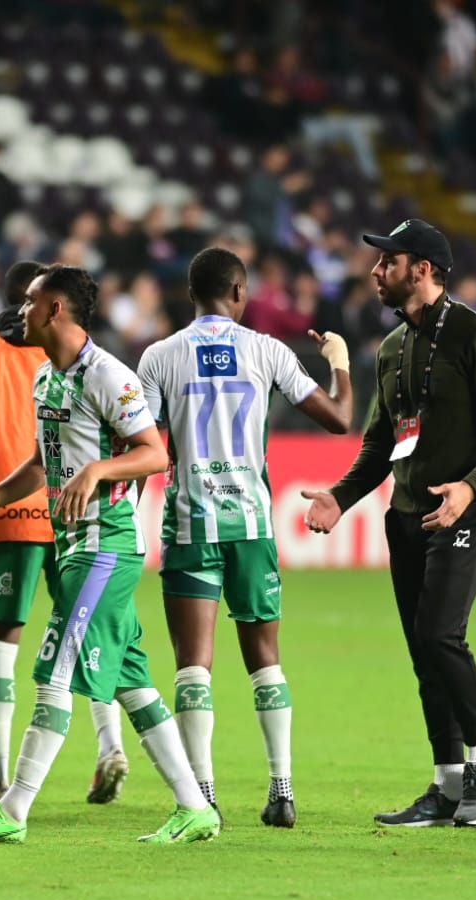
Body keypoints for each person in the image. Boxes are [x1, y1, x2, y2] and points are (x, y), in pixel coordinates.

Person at [0, 265, 220, 845]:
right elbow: (43, 465)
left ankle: (13, 809)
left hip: (106, 546)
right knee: (131, 682)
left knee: (55, 669)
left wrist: (98, 470)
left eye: (30, 302)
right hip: (73, 547)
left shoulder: (109, 377)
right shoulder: (47, 380)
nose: (21, 311)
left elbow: (153, 455)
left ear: (56, 311)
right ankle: (195, 807)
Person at [301, 219, 476, 828]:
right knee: (422, 651)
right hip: (405, 517)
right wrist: (340, 499)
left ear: (422, 268)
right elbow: (380, 443)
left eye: (388, 262)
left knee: (439, 634)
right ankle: (447, 783)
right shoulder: (393, 349)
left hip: (468, 511)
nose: (375, 272)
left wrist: (470, 487)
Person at [135, 247, 354, 829]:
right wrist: (340, 361)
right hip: (253, 524)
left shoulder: (159, 357)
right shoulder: (267, 350)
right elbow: (339, 418)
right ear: (239, 294)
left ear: (190, 295)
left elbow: (143, 447)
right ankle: (282, 789)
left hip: (189, 522)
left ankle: (202, 797)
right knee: (265, 661)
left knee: (192, 667)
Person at [0, 260, 131, 806]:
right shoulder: (80, 353)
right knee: (91, 639)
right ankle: (110, 746)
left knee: (0, 648)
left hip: (12, 515)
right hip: (77, 518)